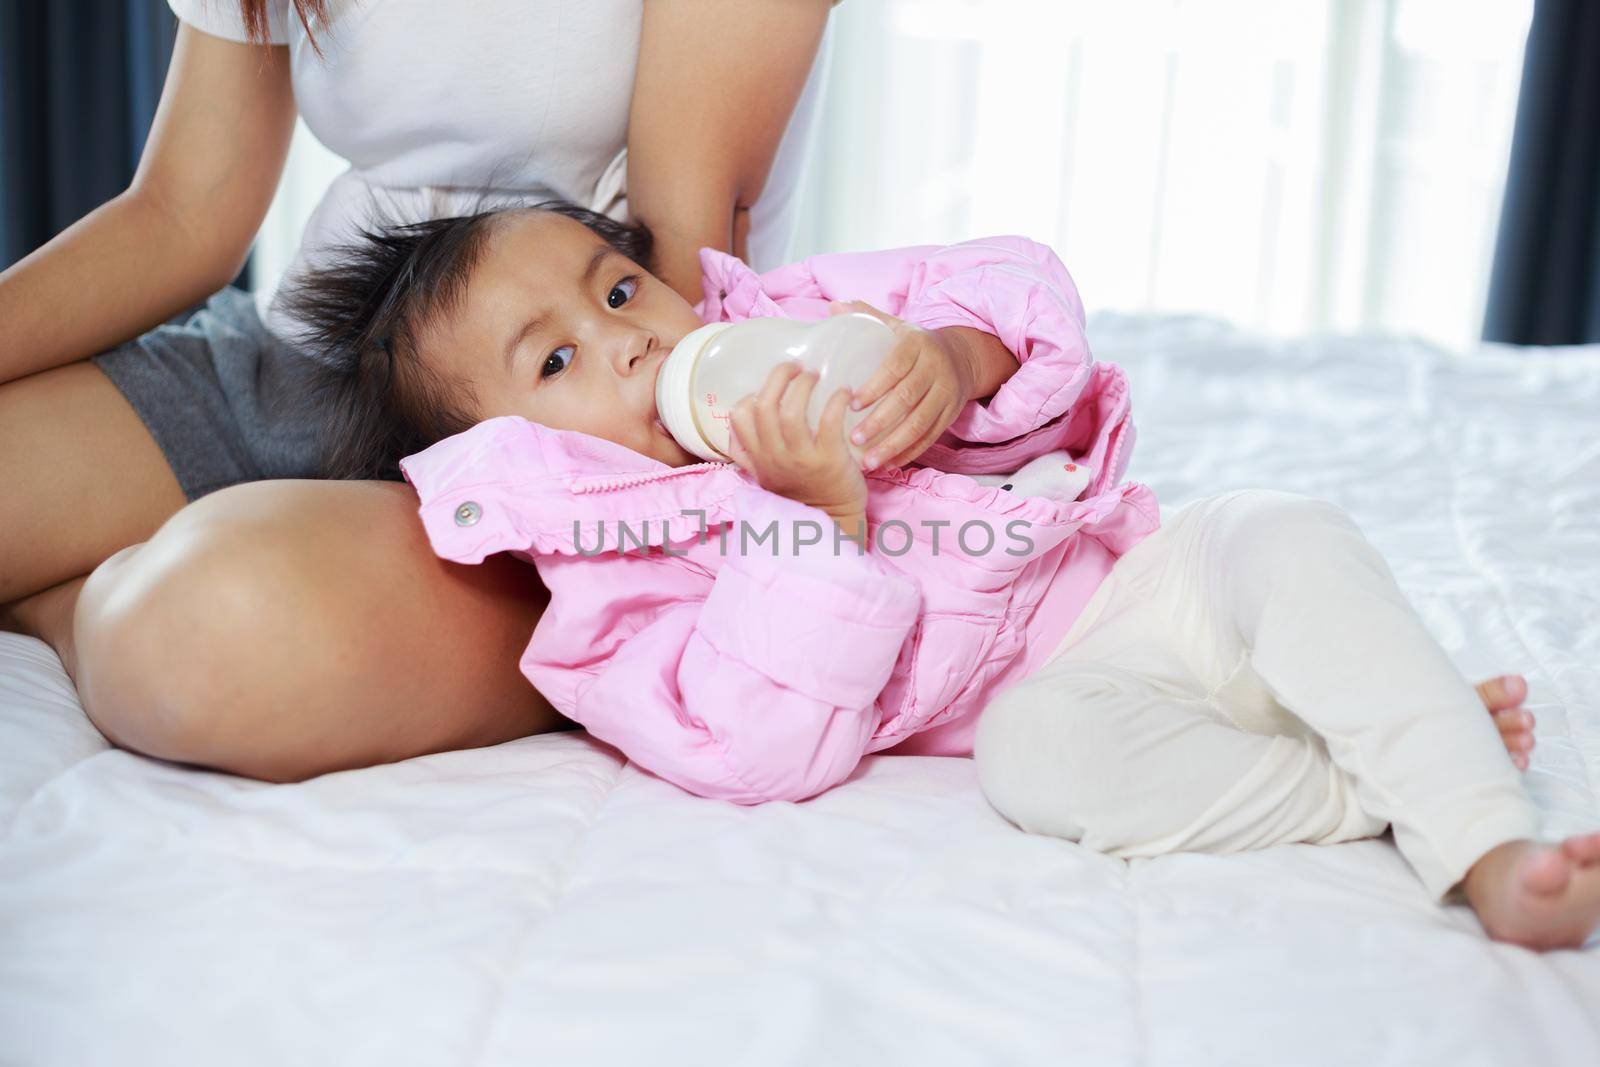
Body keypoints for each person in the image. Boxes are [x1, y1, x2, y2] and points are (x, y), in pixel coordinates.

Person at [275, 201, 1598, 950]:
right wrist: (804, 523)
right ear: (504, 448)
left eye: (616, 293)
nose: (620, 343)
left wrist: (948, 358)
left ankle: (1484, 836)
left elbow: (1011, 292)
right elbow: (751, 743)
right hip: (1064, 692)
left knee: (1281, 526)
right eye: (554, 359)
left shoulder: (781, 326)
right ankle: (1360, 769)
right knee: (1040, 764)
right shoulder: (606, 582)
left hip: (1134, 569)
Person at [0, 0, 839, 779]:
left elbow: (683, 259)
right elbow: (184, 211)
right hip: (297, 363)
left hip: (550, 458)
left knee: (200, 638)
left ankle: (67, 611)